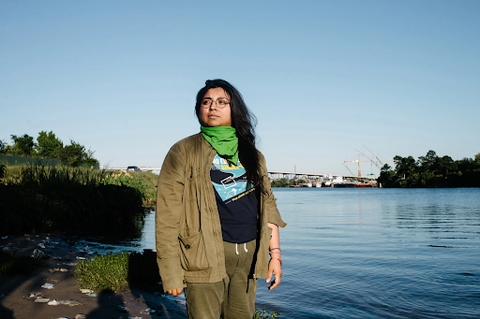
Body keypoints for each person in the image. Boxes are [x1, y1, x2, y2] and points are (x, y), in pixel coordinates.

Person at [156, 79, 286, 319]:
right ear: (198, 109)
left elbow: (267, 207)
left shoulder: (253, 154)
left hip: (248, 257)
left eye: (221, 102)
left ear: (234, 109)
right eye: (206, 102)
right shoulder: (183, 151)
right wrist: (171, 272)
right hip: (202, 255)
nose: (213, 107)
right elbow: (166, 215)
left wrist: (274, 256)